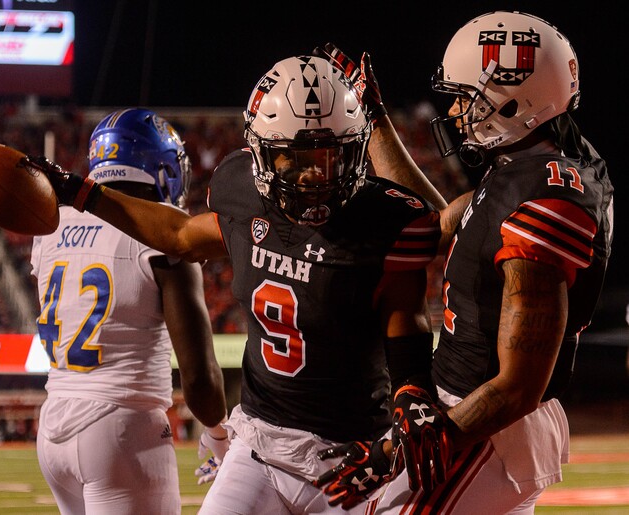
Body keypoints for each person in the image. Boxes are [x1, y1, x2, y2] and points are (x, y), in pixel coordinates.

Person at [26, 55, 448, 514]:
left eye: (331, 156)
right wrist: (81, 193)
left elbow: (407, 322)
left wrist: (413, 390)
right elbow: (179, 236)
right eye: (294, 157)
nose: (314, 175)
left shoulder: (386, 220)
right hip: (260, 443)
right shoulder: (240, 190)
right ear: (261, 151)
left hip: (349, 451)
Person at [321, 9, 614, 513]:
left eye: (465, 99)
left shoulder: (545, 197)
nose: (456, 114)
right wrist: (375, 120)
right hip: (467, 407)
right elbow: (430, 221)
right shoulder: (529, 165)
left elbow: (517, 387)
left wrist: (393, 452)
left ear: (515, 99)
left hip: (488, 423)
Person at [30, 108, 229, 515]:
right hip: (122, 428)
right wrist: (218, 434)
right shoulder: (167, 231)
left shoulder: (51, 226)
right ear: (160, 168)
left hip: (53, 425)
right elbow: (198, 374)